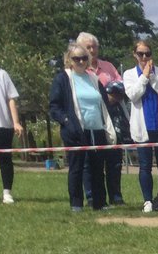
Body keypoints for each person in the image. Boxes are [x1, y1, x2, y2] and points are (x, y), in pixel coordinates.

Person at [49, 43, 115, 211]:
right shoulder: (63, 79)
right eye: (76, 58)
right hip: (75, 131)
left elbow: (104, 103)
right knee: (77, 168)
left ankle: (100, 203)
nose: (80, 61)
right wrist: (66, 121)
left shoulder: (93, 78)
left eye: (84, 58)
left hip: (96, 129)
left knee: (98, 168)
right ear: (69, 60)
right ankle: (76, 204)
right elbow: (54, 107)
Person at [123, 41, 158, 213]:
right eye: (140, 53)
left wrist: (152, 77)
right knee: (145, 166)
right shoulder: (129, 74)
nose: (144, 57)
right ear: (135, 54)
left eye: (147, 53)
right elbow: (132, 95)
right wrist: (144, 77)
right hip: (142, 126)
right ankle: (148, 200)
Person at [77, 32, 121, 207]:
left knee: (114, 159)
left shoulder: (108, 66)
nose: (92, 50)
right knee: (90, 162)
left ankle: (116, 196)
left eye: (94, 46)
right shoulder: (79, 71)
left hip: (112, 117)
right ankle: (92, 196)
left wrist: (114, 96)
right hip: (89, 119)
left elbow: (120, 83)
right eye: (88, 47)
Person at [0, 46, 22, 206]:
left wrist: (16, 122)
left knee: (5, 160)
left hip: (2, 125)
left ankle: (7, 193)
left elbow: (11, 99)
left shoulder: (1, 74)